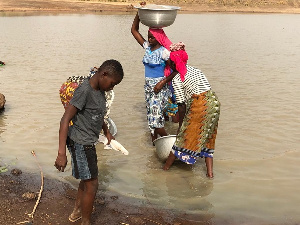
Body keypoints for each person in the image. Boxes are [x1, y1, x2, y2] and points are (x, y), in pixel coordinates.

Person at [54, 59, 124, 225]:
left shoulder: (99, 90)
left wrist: (107, 132)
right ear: (103, 74)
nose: (112, 87)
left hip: (86, 142)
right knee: (92, 184)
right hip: (81, 143)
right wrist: (61, 153)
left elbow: (99, 114)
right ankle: (86, 222)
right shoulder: (84, 90)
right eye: (112, 83)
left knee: (86, 180)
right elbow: (65, 120)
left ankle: (77, 212)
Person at [154, 43, 220, 178]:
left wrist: (181, 126)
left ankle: (165, 170)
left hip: (199, 104)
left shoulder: (177, 79)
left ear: (173, 63)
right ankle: (210, 174)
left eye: (170, 63)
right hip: (214, 103)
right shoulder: (195, 70)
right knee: (208, 139)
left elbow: (181, 105)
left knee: (182, 138)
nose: (169, 65)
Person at [131, 12, 173, 143]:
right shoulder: (147, 48)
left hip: (159, 88)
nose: (149, 40)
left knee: (155, 119)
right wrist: (139, 13)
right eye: (149, 37)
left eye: (152, 38)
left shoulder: (165, 53)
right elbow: (134, 30)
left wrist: (162, 82)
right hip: (148, 88)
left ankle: (171, 145)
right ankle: (155, 146)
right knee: (150, 117)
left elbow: (176, 70)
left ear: (159, 38)